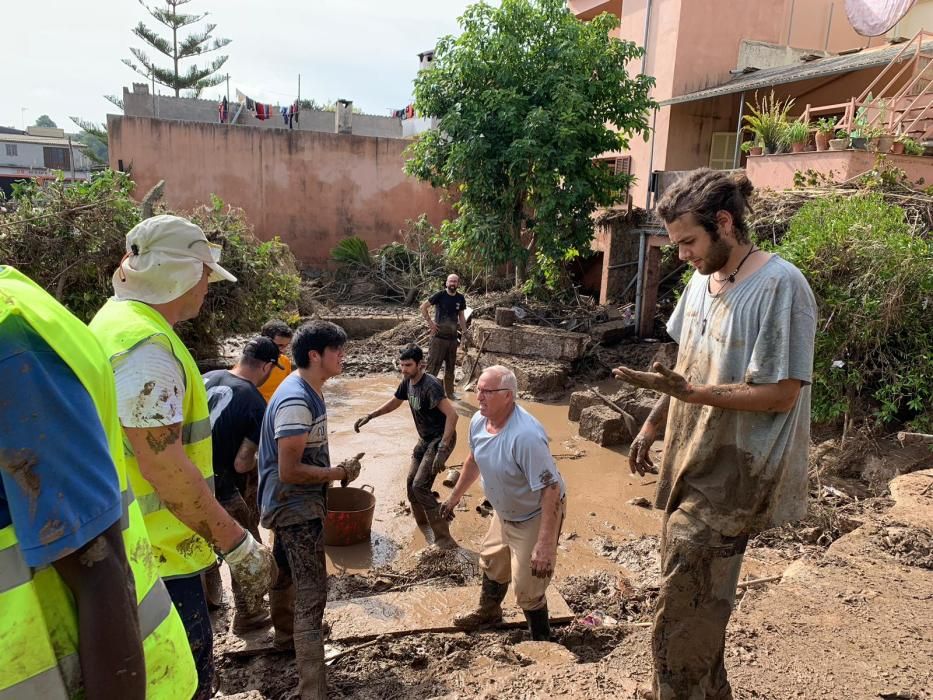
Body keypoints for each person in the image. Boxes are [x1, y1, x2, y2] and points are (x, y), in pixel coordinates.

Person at [613, 169, 816, 700]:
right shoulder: (703, 282)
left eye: (688, 242)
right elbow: (685, 365)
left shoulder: (780, 286)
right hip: (691, 460)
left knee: (678, 616)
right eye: (676, 243)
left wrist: (694, 397)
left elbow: (781, 394)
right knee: (701, 602)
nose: (681, 255)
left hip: (737, 473)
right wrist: (656, 422)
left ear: (724, 223)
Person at [89, 214, 273, 699]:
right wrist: (237, 545)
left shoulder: (115, 323)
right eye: (205, 274)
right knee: (184, 684)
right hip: (157, 562)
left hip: (131, 548)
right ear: (182, 273)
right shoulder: (146, 349)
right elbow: (164, 466)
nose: (207, 286)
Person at [0, 266, 197, 699]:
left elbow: (98, 563)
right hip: (172, 553)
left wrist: (234, 543)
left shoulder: (12, 343)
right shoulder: (138, 341)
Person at [258, 320, 362, 700]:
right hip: (295, 509)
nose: (344, 358)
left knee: (283, 575)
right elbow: (289, 469)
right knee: (312, 593)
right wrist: (338, 473)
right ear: (315, 355)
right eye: (337, 351)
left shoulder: (307, 391)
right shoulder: (296, 399)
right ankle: (313, 690)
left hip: (289, 505)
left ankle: (286, 639)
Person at [440, 365, 566, 641]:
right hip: (504, 509)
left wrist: (545, 544)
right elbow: (474, 460)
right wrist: (453, 498)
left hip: (535, 513)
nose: (479, 397)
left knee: (528, 588)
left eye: (487, 391)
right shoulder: (478, 421)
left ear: (508, 396)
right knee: (492, 560)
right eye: (477, 389)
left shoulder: (526, 436)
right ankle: (489, 612)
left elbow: (550, 489)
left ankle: (542, 640)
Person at [202, 336, 284, 632]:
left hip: (185, 483)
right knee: (248, 550)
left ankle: (209, 601)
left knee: (199, 543)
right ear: (266, 367)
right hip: (221, 488)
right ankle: (248, 615)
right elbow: (241, 463)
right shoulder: (253, 400)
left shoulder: (207, 377)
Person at [353, 344, 459, 548]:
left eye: (408, 365)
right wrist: (370, 415)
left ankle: (444, 540)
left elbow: (452, 416)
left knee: (420, 485)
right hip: (425, 439)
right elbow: (395, 402)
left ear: (421, 364)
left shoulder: (431, 385)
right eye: (401, 365)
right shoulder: (407, 382)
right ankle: (424, 525)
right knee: (411, 484)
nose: (404, 369)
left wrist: (443, 448)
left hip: (440, 439)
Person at [420, 273, 467, 398]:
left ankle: (450, 393)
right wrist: (430, 323)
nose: (452, 283)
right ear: (446, 283)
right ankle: (426, 393)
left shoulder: (460, 298)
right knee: (433, 366)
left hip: (452, 339)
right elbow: (423, 307)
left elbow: (461, 316)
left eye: (455, 281)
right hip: (438, 338)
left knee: (451, 367)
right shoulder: (440, 295)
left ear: (458, 284)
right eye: (451, 281)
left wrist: (465, 332)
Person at [259, 319, 294, 403]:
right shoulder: (250, 363)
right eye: (280, 346)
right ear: (265, 341)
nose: (283, 350)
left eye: (286, 346)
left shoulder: (285, 362)